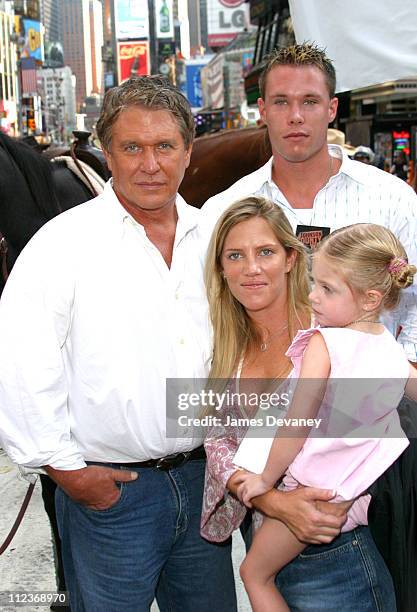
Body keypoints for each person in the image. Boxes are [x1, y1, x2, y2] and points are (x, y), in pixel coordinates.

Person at [0, 76, 237, 612]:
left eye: (164, 146)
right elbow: (19, 365)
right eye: (132, 147)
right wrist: (68, 473)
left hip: (206, 483)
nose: (149, 164)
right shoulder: (62, 245)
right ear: (107, 152)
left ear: (188, 151)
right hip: (113, 496)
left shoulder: (217, 238)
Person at [201, 196, 397, 611]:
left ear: (292, 258)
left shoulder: (332, 328)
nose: (250, 268)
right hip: (267, 540)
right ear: (221, 267)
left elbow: (381, 415)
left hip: (336, 554)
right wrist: (273, 502)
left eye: (265, 252)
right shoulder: (224, 346)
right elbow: (217, 440)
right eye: (235, 255)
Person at [200, 42, 417, 365]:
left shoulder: (391, 198)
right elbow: (209, 315)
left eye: (310, 101)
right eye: (281, 102)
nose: (296, 116)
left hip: (372, 405)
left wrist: (396, 381)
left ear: (331, 109)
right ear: (263, 111)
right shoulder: (224, 209)